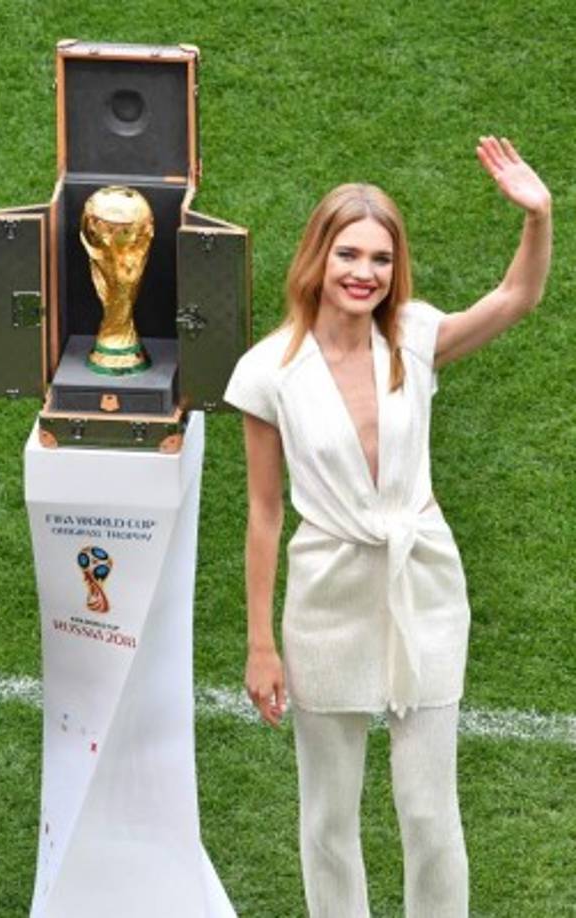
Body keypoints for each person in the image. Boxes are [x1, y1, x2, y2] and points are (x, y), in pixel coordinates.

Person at [223, 136, 551, 917]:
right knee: (329, 818)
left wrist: (538, 217)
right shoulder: (266, 371)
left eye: (379, 258)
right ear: (317, 258)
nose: (363, 273)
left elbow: (515, 299)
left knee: (430, 812)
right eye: (348, 254)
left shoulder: (415, 337)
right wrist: (261, 644)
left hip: (425, 581)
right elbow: (265, 513)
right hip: (327, 593)